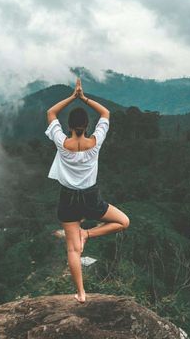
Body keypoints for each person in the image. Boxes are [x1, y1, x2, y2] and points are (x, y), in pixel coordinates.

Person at [45, 78, 130, 303]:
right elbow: (106, 113)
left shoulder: (62, 143)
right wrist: (85, 98)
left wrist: (72, 97)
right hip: (92, 199)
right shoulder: (96, 141)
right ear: (86, 126)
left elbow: (51, 113)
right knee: (123, 222)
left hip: (68, 200)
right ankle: (89, 234)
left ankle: (81, 294)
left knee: (73, 251)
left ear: (70, 126)